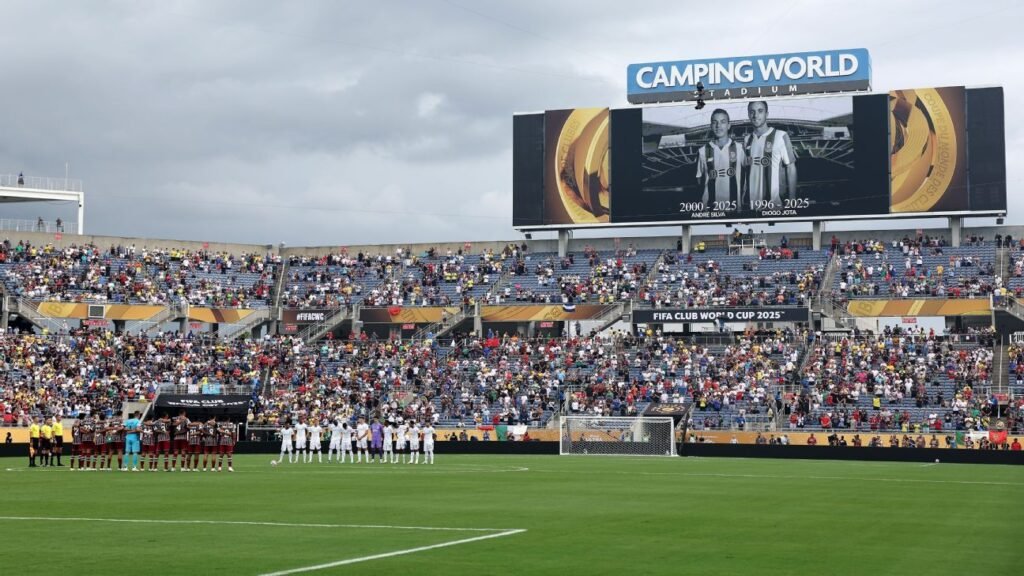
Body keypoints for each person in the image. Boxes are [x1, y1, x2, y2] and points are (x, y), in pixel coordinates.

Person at [743, 100, 797, 209]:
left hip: (775, 205)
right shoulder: (747, 139)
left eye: (760, 111)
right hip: (752, 205)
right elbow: (746, 170)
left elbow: (791, 167)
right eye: (752, 112)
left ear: (767, 114)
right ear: (748, 115)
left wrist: (792, 199)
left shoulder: (780, 136)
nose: (755, 115)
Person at [696, 108, 745, 211]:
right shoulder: (703, 151)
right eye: (715, 122)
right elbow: (699, 180)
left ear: (728, 125)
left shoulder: (739, 149)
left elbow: (747, 176)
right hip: (710, 209)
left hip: (734, 208)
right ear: (711, 126)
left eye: (722, 122)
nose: (718, 126)